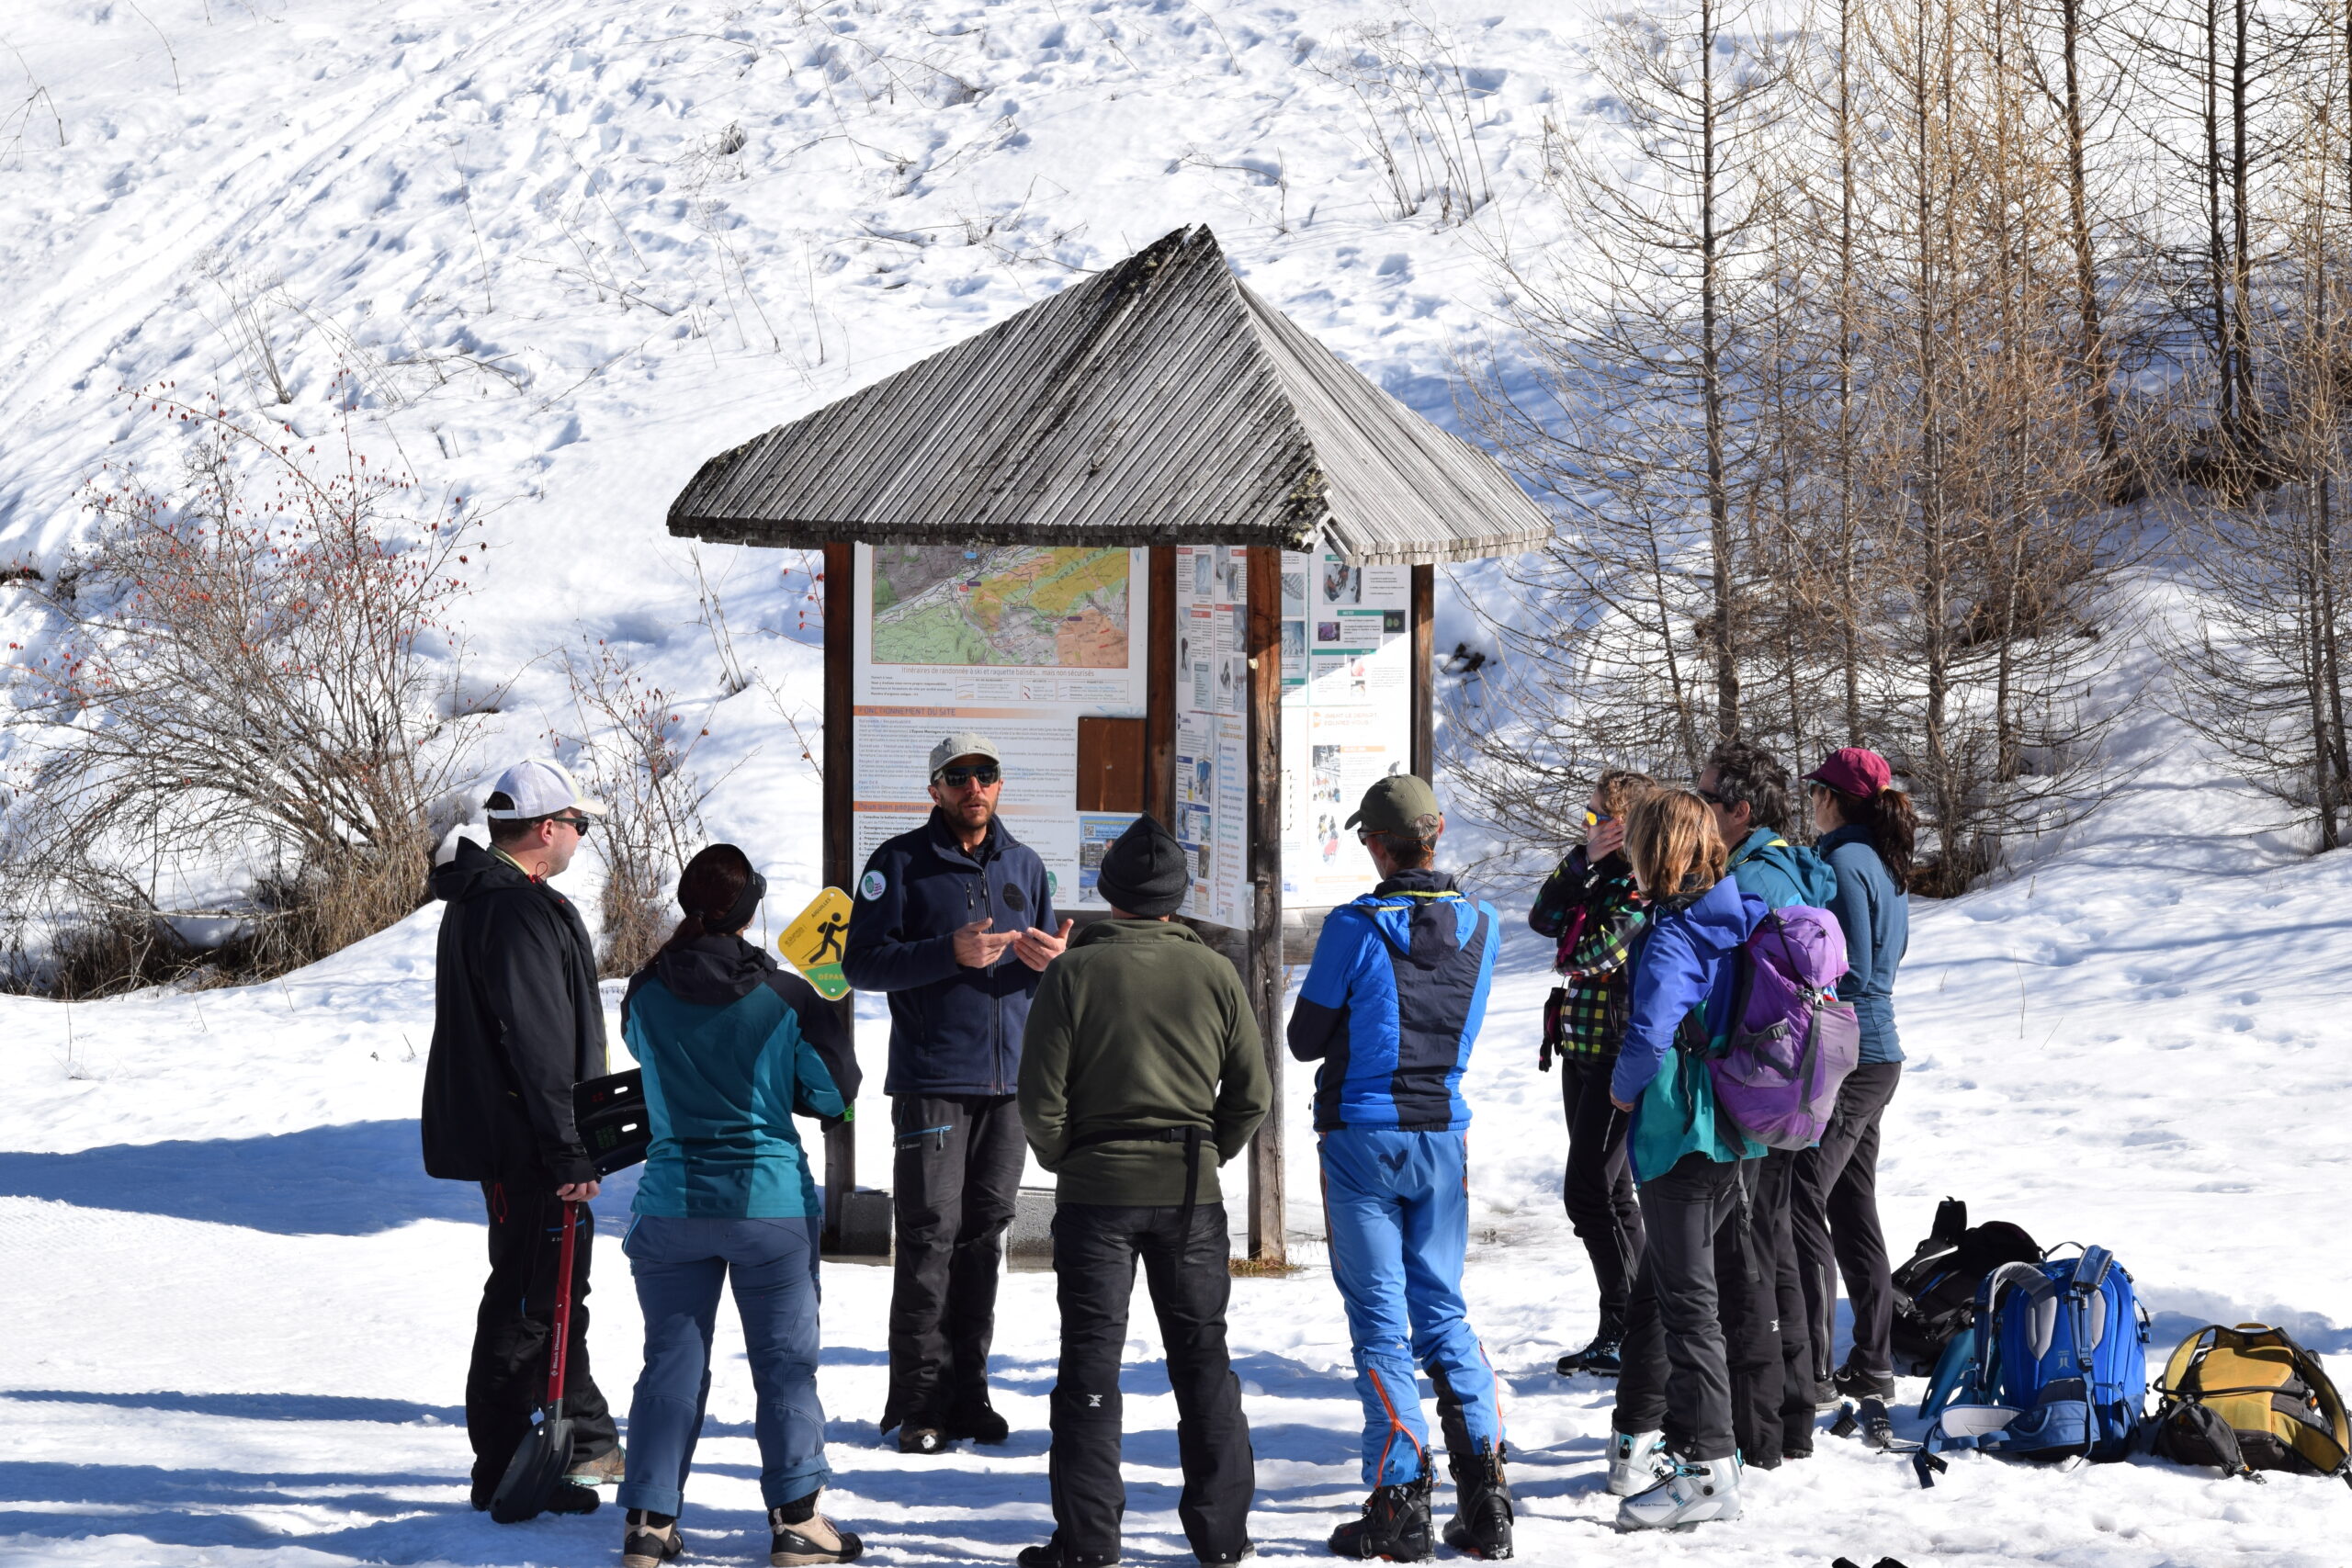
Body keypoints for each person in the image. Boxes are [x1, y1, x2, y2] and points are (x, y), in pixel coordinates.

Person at [1013, 815, 1271, 1568]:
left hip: (1096, 1193)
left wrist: (1069, 1155)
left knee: (1090, 1364)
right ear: (1178, 895)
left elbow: (1040, 1098)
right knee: (1203, 1359)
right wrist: (1206, 1151)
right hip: (1191, 1190)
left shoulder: (1073, 973)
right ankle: (1222, 1535)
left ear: (1109, 890)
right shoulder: (1216, 973)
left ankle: (1089, 1541)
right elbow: (1250, 1094)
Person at [614, 845, 867, 1568]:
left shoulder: (644, 989)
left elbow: (645, 1051)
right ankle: (796, 1520)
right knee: (785, 1364)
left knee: (670, 1362)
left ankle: (648, 1524)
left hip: (671, 1202)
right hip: (768, 1205)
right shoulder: (785, 996)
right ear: (750, 910)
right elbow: (831, 1093)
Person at [1288, 776, 1511, 1562]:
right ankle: (1488, 1493)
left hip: (1362, 1138)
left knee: (1380, 1320)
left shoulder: (1356, 925)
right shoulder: (1484, 921)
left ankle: (1398, 1497)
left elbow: (1305, 1036)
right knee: (1443, 1309)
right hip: (1442, 1134)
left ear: (1376, 844)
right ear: (1438, 830)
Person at [842, 732, 1072, 1454]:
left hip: (1008, 1089)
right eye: (958, 776)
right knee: (926, 1237)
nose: (974, 787)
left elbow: (1042, 975)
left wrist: (1055, 965)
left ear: (999, 786)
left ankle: (969, 1393)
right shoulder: (898, 864)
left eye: (986, 774)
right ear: (935, 789)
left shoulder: (1026, 865)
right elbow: (861, 964)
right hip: (933, 1083)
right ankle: (917, 1402)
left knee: (982, 1240)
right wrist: (948, 952)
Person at [420, 758, 621, 1515]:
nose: (580, 835)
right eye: (578, 823)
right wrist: (568, 1146)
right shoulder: (510, 911)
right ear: (546, 828)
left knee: (548, 1289)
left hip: (524, 1140)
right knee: (528, 1300)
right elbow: (537, 1041)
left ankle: (567, 1446)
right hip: (530, 1145)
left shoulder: (501, 900)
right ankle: (503, 1464)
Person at [1603, 787, 1768, 1532]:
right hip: (1733, 1129)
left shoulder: (1674, 936)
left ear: (1655, 851)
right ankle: (1709, 1452)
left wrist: (1621, 1092)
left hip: (1680, 1134)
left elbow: (1647, 1036)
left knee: (1688, 1304)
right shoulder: (1737, 911)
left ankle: (1704, 1469)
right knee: (1683, 1291)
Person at [1696, 740, 1838, 1461]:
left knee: (1748, 1248)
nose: (1698, 809)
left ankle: (1762, 1429)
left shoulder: (1753, 877)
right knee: (1777, 1243)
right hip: (1800, 1078)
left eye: (1707, 797)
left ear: (1740, 811)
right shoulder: (1795, 865)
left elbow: (1711, 961)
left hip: (1762, 1083)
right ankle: (1795, 1412)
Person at [1793, 748, 1915, 1406]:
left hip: (1854, 1051)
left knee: (1803, 1192)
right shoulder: (1885, 862)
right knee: (1850, 1203)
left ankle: (1812, 1370)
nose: (1810, 799)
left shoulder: (1842, 861)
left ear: (1835, 799)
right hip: (1880, 1051)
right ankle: (1872, 1362)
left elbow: (1852, 966)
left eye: (1816, 790)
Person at [1527, 770, 1657, 1378]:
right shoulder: (1597, 872)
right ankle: (1626, 1323)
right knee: (1611, 1194)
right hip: (1579, 1047)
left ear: (1623, 824)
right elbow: (1542, 917)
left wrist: (1576, 927)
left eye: (1595, 816)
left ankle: (1626, 1323)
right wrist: (1581, 860)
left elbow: (1585, 952)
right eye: (1586, 816)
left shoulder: (1639, 888)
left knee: (1586, 1192)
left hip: (1615, 1052)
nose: (1588, 823)